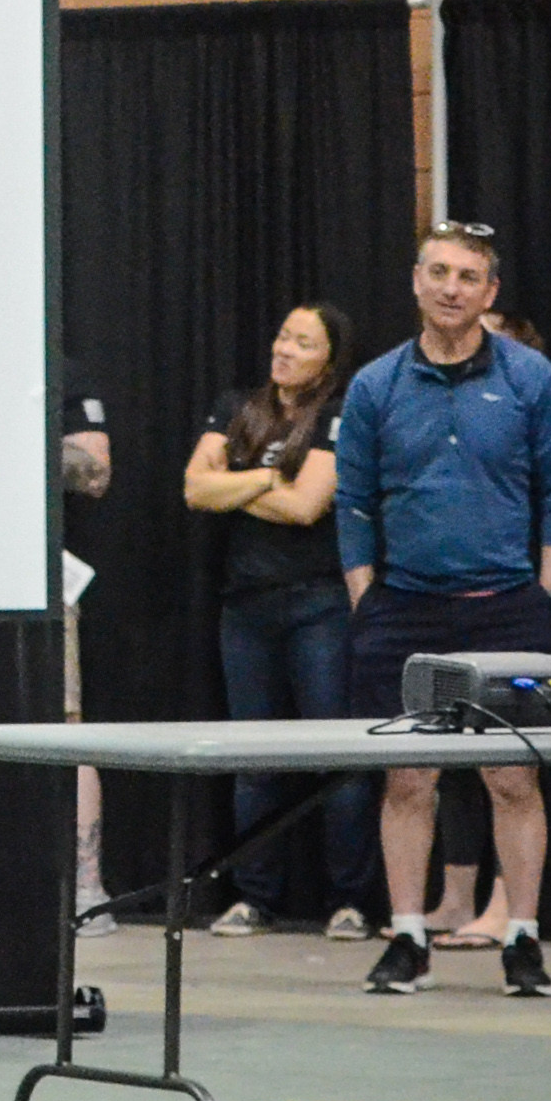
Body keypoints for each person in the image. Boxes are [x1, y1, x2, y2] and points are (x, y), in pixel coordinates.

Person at [333, 224, 551, 999]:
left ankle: (522, 938)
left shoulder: (529, 376)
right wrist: (364, 599)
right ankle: (408, 937)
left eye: (466, 276)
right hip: (403, 612)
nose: (450, 287)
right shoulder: (375, 384)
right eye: (437, 272)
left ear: (489, 292)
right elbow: (352, 502)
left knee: (512, 779)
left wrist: (546, 594)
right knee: (407, 779)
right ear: (413, 281)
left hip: (509, 612)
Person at [183, 302, 357, 936]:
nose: (283, 348)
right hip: (246, 608)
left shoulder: (339, 413)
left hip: (318, 605)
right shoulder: (239, 404)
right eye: (282, 335)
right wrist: (266, 477)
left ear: (328, 360)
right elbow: (194, 489)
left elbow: (309, 506)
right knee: (254, 757)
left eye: (302, 342)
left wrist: (236, 479)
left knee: (333, 755)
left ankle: (350, 898)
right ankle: (254, 894)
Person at [58, 360, 114, 925]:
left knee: (66, 725)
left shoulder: (57, 370)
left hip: (39, 578)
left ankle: (87, 891)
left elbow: (95, 471)